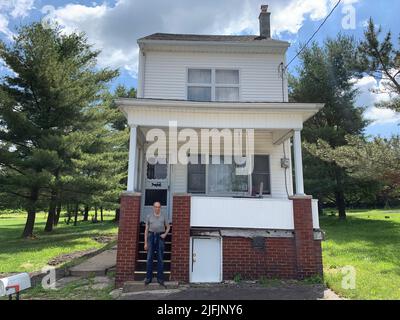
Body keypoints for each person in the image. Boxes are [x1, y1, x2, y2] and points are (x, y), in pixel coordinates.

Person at [144, 201, 170, 286]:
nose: (157, 208)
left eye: (158, 207)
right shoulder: (149, 216)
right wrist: (145, 243)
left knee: (160, 258)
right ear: (153, 207)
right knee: (149, 258)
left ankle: (160, 278)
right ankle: (148, 278)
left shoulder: (163, 216)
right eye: (155, 207)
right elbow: (146, 230)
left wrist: (165, 234)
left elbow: (168, 227)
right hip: (151, 236)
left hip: (160, 237)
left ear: (160, 208)